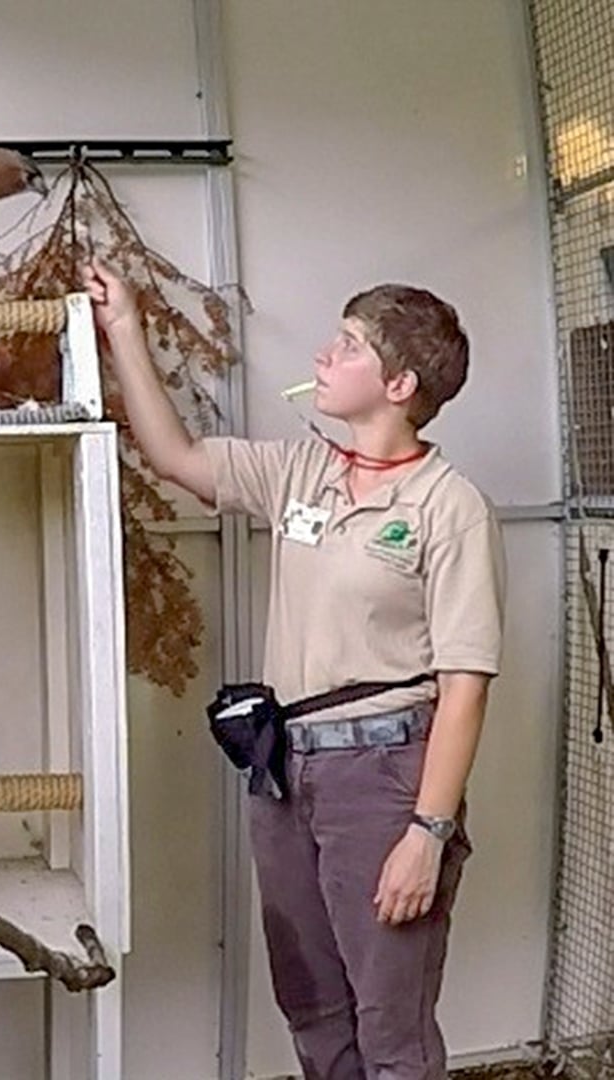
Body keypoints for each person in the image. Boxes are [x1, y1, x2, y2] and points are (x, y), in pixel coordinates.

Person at [82, 257, 505, 1080]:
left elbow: (465, 686)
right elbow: (174, 456)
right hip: (283, 773)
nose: (323, 354)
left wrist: (428, 832)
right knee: (312, 1008)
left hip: (383, 777)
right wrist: (124, 327)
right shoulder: (302, 471)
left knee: (391, 1027)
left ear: (398, 383)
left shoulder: (449, 507)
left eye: (348, 344)